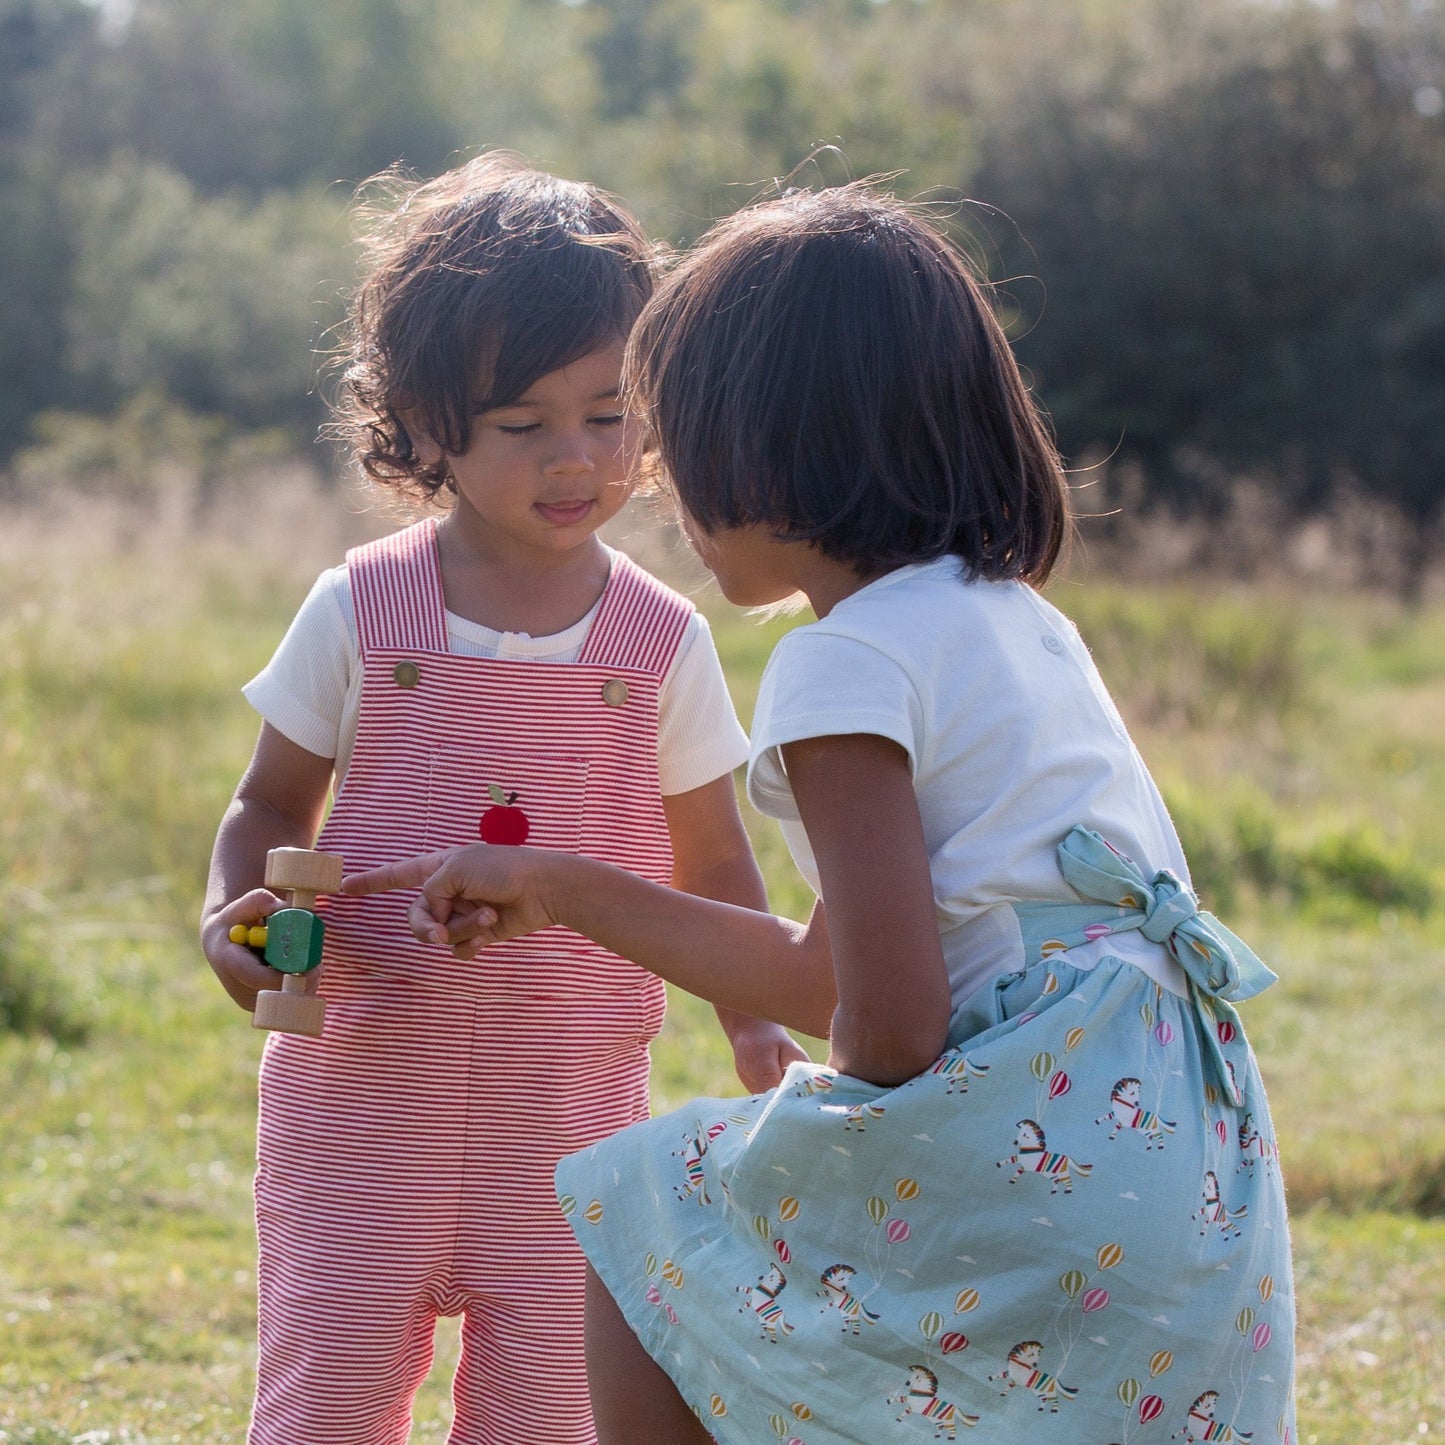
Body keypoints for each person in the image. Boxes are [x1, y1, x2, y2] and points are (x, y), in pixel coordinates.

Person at [342, 184, 1297, 1445]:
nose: (663, 484)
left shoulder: (841, 666)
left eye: (675, 439)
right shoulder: (1013, 621)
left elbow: (887, 1026)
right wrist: (563, 888)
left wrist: (820, 1138)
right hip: (1185, 1162)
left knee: (649, 1215)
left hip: (1036, 1146)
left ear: (763, 446)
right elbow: (838, 970)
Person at [198, 152, 805, 1445]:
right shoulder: (360, 609)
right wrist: (237, 925)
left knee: (548, 1408)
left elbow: (717, 865)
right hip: (361, 1098)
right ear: (426, 427)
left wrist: (751, 1026)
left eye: (608, 413)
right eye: (524, 426)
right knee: (330, 1391)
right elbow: (266, 811)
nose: (574, 457)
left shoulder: (661, 642)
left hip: (569, 1100)